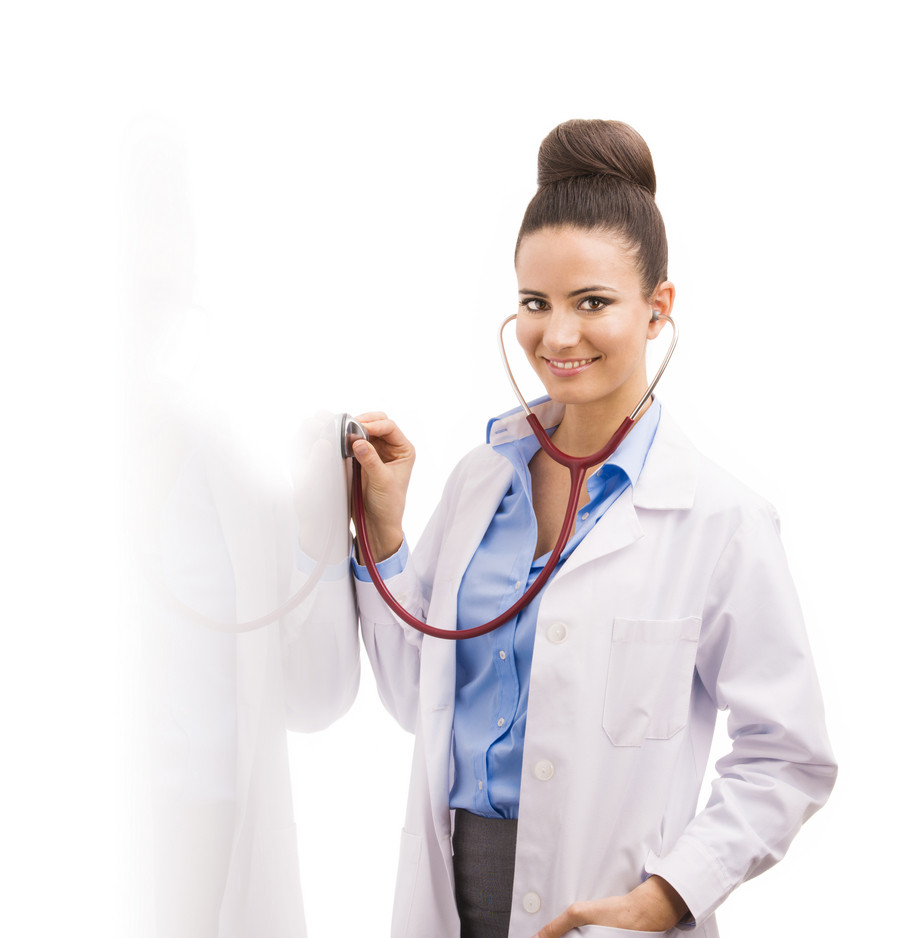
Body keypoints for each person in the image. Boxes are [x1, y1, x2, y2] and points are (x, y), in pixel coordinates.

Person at [350, 119, 836, 938]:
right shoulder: (480, 482)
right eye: (535, 303)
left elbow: (788, 755)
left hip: (607, 908)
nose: (559, 334)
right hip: (451, 889)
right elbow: (419, 697)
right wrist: (385, 530)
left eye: (593, 302)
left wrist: (671, 893)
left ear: (657, 310)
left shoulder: (722, 521)